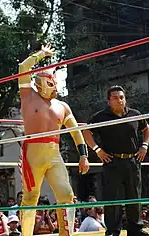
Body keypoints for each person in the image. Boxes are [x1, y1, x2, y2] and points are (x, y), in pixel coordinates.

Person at [18, 43, 89, 236]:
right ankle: (25, 235)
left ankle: (66, 234)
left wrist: (84, 156)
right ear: (39, 84)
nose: (52, 85)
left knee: (66, 194)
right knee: (31, 198)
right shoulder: (28, 96)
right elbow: (23, 68)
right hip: (33, 151)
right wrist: (42, 54)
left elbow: (75, 131)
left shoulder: (62, 106)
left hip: (54, 153)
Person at [83, 85, 149, 236]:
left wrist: (145, 146)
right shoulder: (101, 116)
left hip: (132, 160)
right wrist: (97, 150)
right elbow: (87, 132)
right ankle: (113, 230)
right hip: (112, 161)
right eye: (115, 98)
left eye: (121, 97)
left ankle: (135, 228)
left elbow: (146, 129)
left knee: (135, 195)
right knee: (113, 197)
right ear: (108, 101)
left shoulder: (135, 114)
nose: (119, 100)